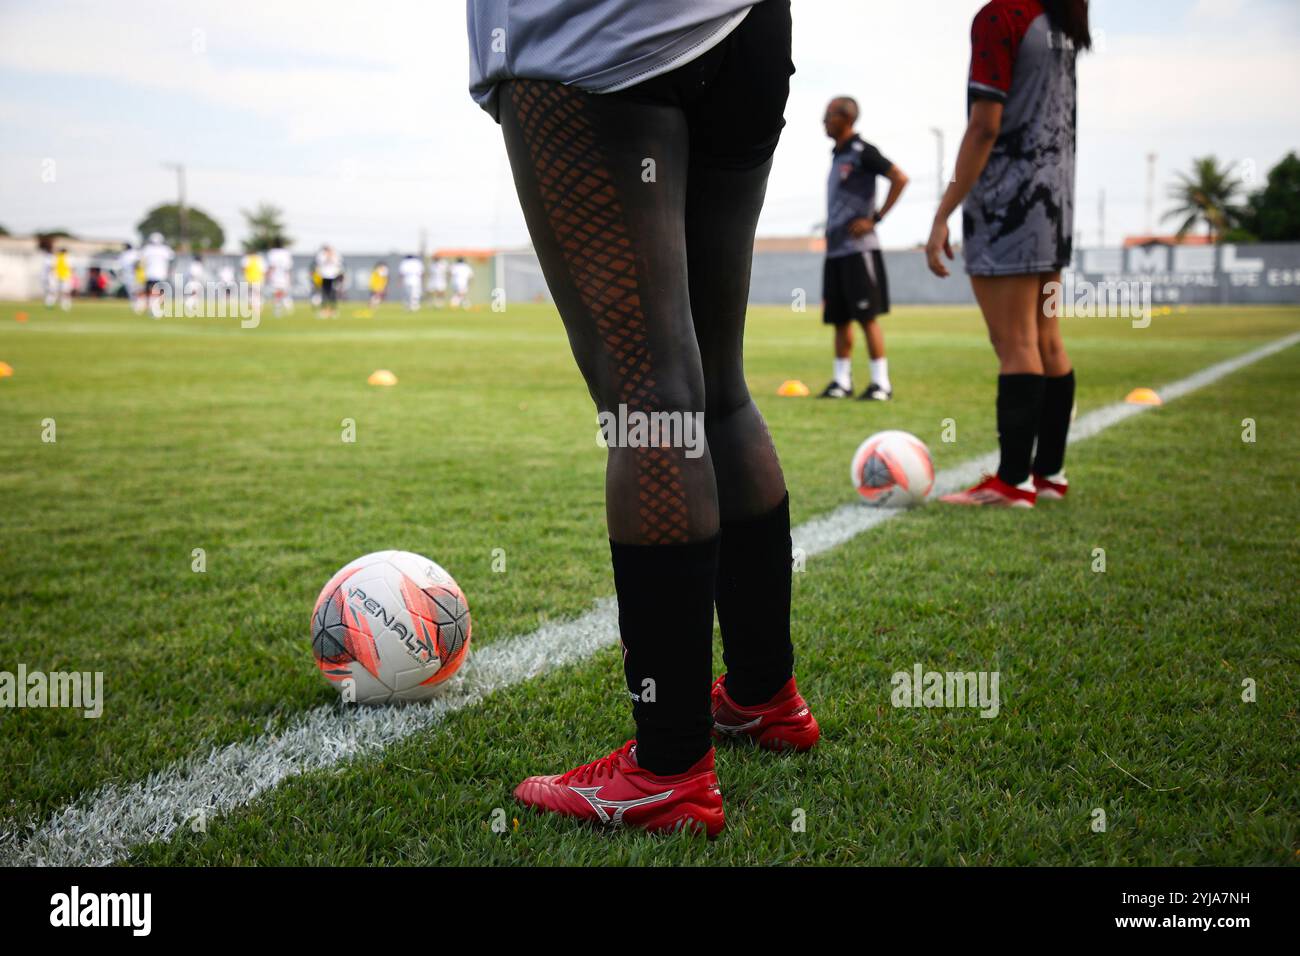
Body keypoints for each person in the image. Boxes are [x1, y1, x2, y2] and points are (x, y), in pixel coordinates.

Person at [468, 0, 816, 838]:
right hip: (746, 26)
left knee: (649, 404)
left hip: (592, 37)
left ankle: (668, 770)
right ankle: (764, 696)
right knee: (715, 385)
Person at [927, 0, 1088, 507]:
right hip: (1054, 201)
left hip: (1008, 203)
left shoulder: (1001, 16)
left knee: (1016, 342)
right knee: (1046, 338)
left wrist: (943, 213)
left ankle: (1012, 482)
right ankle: (1048, 475)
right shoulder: (1058, 17)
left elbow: (985, 126)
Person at [818, 97, 909, 400]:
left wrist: (876, 218)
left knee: (866, 316)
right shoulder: (837, 155)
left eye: (828, 115)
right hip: (836, 252)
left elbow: (899, 177)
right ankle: (842, 382)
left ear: (845, 118)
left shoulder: (862, 152)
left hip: (859, 251)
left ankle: (881, 383)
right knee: (840, 318)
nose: (823, 120)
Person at [139, 232, 174, 316]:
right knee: (161, 293)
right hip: (161, 274)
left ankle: (149, 307)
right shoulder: (165, 249)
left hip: (149, 274)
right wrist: (170, 269)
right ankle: (154, 307)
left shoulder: (147, 249)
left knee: (150, 293)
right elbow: (172, 259)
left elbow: (140, 261)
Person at [315, 245, 344, 318]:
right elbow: (321, 263)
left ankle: (333, 310)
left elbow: (338, 264)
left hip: (333, 276)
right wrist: (327, 256)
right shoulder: (321, 255)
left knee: (333, 293)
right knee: (324, 293)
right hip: (325, 276)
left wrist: (331, 256)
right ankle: (324, 310)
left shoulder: (336, 255)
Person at [267, 245, 295, 316]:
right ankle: (283, 308)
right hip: (280, 278)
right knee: (279, 294)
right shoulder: (285, 257)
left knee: (280, 294)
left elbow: (286, 270)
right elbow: (288, 270)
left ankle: (283, 307)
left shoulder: (274, 256)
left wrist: (269, 276)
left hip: (279, 278)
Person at [241, 249, 267, 323]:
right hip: (259, 280)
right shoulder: (260, 260)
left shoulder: (247, 259)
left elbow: (243, 268)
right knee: (256, 297)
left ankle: (256, 312)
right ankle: (257, 311)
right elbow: (264, 271)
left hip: (250, 280)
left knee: (251, 297)